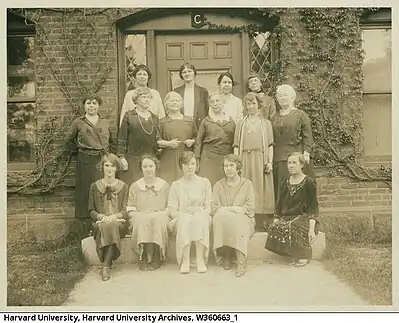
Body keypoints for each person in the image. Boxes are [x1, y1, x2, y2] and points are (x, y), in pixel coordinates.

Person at [66, 94, 115, 238]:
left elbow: (111, 141)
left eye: (94, 103)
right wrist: (81, 152)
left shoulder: (105, 122)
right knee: (87, 192)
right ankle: (86, 228)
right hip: (85, 160)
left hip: (102, 160)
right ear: (84, 106)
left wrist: (108, 156)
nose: (91, 106)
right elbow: (69, 141)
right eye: (88, 103)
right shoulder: (78, 123)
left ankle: (104, 224)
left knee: (104, 189)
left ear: (98, 106)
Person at [265, 152, 319, 267]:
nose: (291, 165)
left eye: (294, 162)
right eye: (289, 163)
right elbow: (279, 204)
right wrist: (276, 219)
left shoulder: (309, 182)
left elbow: (313, 207)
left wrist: (311, 228)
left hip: (304, 216)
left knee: (293, 226)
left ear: (302, 165)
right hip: (287, 216)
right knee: (276, 226)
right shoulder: (285, 183)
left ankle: (303, 255)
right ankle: (289, 254)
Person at [234, 92, 275, 232]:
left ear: (259, 106)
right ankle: (246, 218)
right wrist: (236, 164)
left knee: (260, 187)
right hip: (245, 159)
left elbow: (270, 145)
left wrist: (269, 161)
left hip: (260, 159)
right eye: (248, 104)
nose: (250, 106)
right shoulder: (241, 124)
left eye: (253, 103)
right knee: (246, 187)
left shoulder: (266, 124)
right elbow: (236, 146)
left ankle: (261, 220)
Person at [167, 151, 212, 274]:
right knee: (186, 219)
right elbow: (172, 211)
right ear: (181, 165)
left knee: (199, 218)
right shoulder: (176, 185)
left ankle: (200, 259)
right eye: (186, 164)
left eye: (192, 164)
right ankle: (185, 260)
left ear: (197, 165)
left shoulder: (204, 182)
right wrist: (185, 213)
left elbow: (209, 207)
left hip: (201, 216)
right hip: (181, 218)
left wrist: (199, 212)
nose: (190, 167)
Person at [88, 154, 129, 281]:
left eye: (112, 166)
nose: (109, 169)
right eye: (106, 165)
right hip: (101, 222)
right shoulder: (95, 186)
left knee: (112, 225)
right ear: (102, 167)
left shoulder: (124, 186)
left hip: (119, 223)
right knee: (104, 225)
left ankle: (105, 266)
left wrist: (116, 216)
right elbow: (91, 210)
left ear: (116, 168)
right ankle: (107, 264)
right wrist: (101, 216)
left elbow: (125, 210)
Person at [212, 154, 255, 277]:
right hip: (225, 218)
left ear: (238, 167)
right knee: (220, 219)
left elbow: (250, 207)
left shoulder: (247, 184)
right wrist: (233, 210)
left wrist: (230, 210)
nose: (228, 168)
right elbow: (214, 207)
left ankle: (241, 260)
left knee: (237, 221)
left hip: (244, 218)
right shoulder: (218, 185)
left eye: (231, 165)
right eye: (226, 166)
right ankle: (226, 256)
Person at [271, 84, 315, 202]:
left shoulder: (301, 115)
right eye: (280, 96)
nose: (282, 98)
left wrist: (306, 153)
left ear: (292, 97)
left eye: (285, 95)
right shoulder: (274, 117)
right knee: (281, 188)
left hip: (296, 156)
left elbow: (308, 136)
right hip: (278, 158)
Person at [127, 154, 170, 271]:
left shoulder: (164, 185)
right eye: (145, 166)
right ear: (141, 168)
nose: (148, 169)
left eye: (151, 166)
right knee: (141, 220)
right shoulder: (135, 186)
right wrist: (140, 214)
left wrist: (159, 213)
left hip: (160, 215)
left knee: (157, 220)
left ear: (156, 167)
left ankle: (157, 253)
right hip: (140, 215)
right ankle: (143, 255)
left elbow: (169, 207)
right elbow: (130, 208)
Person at [117, 87, 159, 186]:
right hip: (133, 158)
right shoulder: (129, 116)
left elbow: (157, 138)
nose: (147, 99)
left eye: (149, 97)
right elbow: (122, 138)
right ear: (136, 99)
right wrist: (122, 157)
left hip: (150, 159)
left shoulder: (154, 118)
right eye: (143, 97)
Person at [195, 92, 236, 187]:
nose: (215, 103)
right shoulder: (206, 121)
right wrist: (197, 159)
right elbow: (198, 141)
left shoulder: (231, 121)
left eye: (217, 101)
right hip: (208, 158)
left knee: (225, 185)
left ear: (223, 102)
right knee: (209, 184)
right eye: (212, 102)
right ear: (209, 104)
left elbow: (235, 141)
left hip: (226, 158)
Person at [157, 91, 197, 184]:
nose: (174, 103)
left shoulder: (189, 121)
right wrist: (168, 143)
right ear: (166, 104)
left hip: (186, 157)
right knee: (169, 182)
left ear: (181, 104)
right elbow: (156, 140)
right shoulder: (162, 122)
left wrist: (192, 141)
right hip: (168, 158)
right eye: (171, 101)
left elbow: (196, 137)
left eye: (177, 101)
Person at [173, 63, 209, 129]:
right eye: (184, 72)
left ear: (194, 73)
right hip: (181, 125)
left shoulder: (202, 91)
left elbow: (207, 110)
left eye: (189, 71)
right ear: (181, 75)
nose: (187, 74)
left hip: (199, 125)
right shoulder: (176, 92)